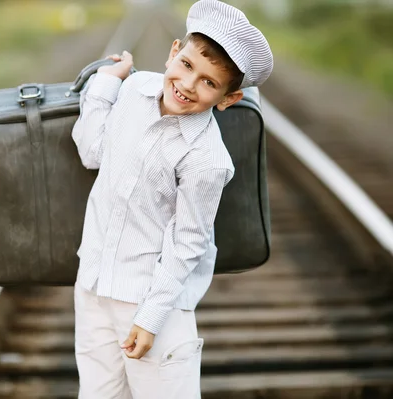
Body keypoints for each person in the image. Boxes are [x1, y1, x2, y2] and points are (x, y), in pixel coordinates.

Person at [70, 0, 273, 398]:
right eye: (187, 64)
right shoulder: (133, 91)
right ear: (173, 51)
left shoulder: (207, 159)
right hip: (93, 285)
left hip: (151, 302)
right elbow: (92, 152)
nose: (188, 84)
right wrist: (107, 82)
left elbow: (188, 242)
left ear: (228, 100)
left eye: (209, 83)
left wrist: (151, 317)